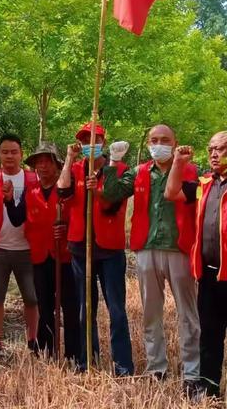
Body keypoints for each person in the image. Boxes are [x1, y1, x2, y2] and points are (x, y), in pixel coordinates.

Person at [102, 124, 200, 390]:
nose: (159, 144)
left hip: (179, 249)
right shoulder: (139, 172)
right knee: (151, 314)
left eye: (165, 140)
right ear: (147, 143)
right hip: (146, 248)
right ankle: (157, 368)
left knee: (188, 314)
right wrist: (114, 162)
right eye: (154, 140)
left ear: (175, 141)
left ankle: (192, 372)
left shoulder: (193, 172)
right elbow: (110, 194)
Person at [57, 122, 134, 375]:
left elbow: (112, 202)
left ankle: (122, 364)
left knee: (116, 309)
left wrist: (98, 191)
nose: (91, 143)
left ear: (103, 140)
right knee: (84, 308)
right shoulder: (77, 169)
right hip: (80, 248)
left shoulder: (121, 169)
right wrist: (69, 158)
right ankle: (86, 359)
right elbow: (62, 190)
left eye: (95, 138)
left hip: (109, 250)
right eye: (85, 139)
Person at [164, 131, 227, 398]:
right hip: (209, 275)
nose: (214, 154)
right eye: (211, 149)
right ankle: (209, 390)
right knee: (210, 336)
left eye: (221, 149)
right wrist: (178, 162)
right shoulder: (204, 184)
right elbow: (171, 192)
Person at [6, 142, 80, 361]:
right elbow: (18, 218)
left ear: (56, 165)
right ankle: (46, 353)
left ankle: (74, 355)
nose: (43, 166)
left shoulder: (66, 188)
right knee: (44, 307)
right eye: (39, 163)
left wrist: (66, 228)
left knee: (70, 306)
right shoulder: (31, 191)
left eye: (47, 162)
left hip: (65, 257)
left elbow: (78, 216)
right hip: (39, 257)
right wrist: (9, 201)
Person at [0, 133, 39, 356]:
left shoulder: (32, 179)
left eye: (14, 152)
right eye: (5, 152)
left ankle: (33, 339)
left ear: (21, 154)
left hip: (27, 247)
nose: (9, 156)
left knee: (32, 296)